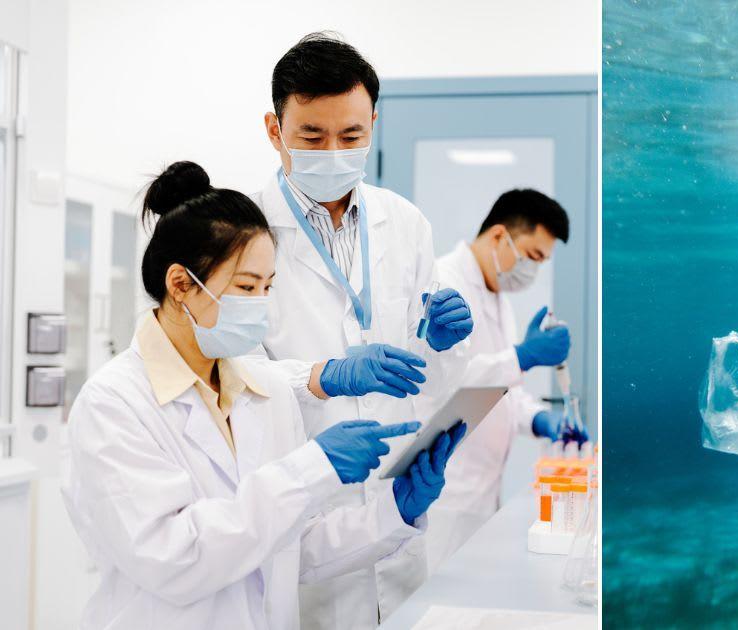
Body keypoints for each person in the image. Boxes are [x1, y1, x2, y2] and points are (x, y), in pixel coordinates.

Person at [61, 162, 466, 630]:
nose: (260, 304)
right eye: (246, 287)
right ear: (180, 285)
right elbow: (175, 557)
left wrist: (396, 509)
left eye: (268, 287)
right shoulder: (113, 404)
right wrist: (313, 467)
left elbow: (290, 547)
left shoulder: (263, 389)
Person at [250, 33, 474, 627]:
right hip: (300, 522)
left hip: (396, 517)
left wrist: (444, 345)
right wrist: (323, 376)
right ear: (275, 130)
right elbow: (225, 377)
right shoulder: (243, 234)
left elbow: (427, 377)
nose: (334, 151)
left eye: (351, 136)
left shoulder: (404, 223)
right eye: (311, 137)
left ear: (374, 122)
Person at [426, 188, 590, 569]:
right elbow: (442, 382)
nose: (532, 270)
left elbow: (503, 391)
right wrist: (523, 356)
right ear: (500, 235)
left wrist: (539, 419)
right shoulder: (442, 284)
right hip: (443, 496)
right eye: (532, 256)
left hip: (481, 494)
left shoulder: (497, 296)